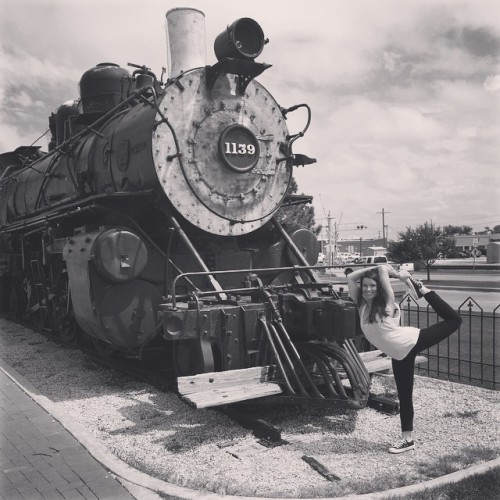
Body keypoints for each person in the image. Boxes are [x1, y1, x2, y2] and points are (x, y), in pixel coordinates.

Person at [346, 264, 462, 454]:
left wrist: (386, 271)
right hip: (399, 354)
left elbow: (383, 270)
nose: (367, 289)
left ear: (379, 289)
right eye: (365, 286)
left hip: (413, 341)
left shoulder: (386, 303)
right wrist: (373, 270)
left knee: (455, 320)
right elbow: (351, 278)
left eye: (372, 286)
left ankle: (421, 288)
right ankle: (407, 440)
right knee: (405, 396)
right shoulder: (362, 306)